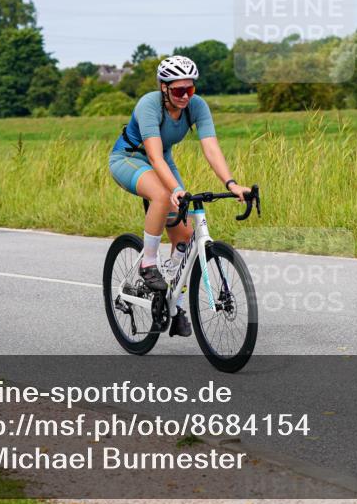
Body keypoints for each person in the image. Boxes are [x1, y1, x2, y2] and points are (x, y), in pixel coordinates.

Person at [108, 55, 252, 336]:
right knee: (163, 196)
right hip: (130, 159)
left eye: (190, 89)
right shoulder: (149, 105)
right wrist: (175, 189)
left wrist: (232, 183)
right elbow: (152, 154)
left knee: (185, 239)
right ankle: (148, 264)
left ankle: (173, 305)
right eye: (178, 90)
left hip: (164, 161)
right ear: (164, 88)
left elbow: (211, 148)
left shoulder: (196, 107)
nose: (185, 96)